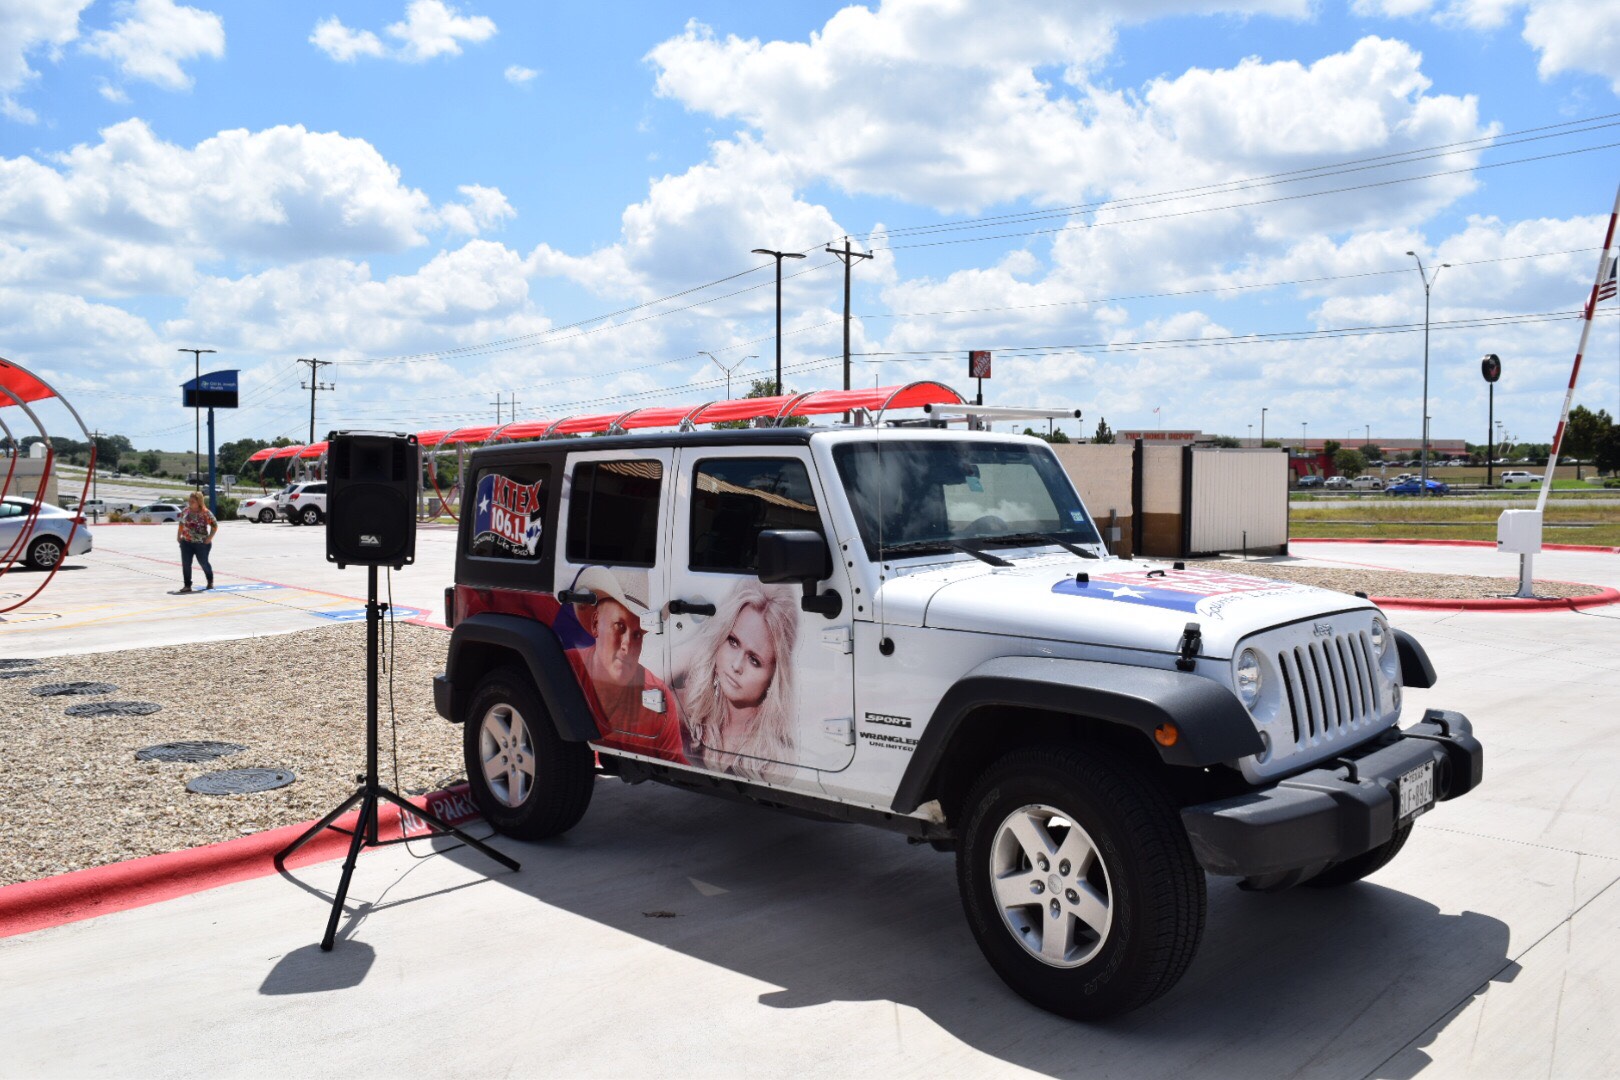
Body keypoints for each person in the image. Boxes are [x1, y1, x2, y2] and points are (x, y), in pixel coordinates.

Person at [675, 581, 799, 783]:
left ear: (774, 677)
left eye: (754, 660)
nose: (736, 665)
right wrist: (703, 644)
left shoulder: (776, 758)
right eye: (733, 642)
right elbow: (643, 685)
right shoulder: (692, 711)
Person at [563, 566, 685, 763]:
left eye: (637, 634)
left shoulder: (657, 694)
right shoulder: (564, 669)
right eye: (619, 626)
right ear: (595, 624)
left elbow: (676, 766)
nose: (627, 645)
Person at [175, 492, 217, 593]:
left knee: (203, 562)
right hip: (186, 542)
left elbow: (214, 526)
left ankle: (210, 581)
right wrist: (179, 536)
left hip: (201, 544)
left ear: (199, 502)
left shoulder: (205, 513)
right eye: (189, 501)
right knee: (186, 564)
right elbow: (181, 524)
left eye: (193, 501)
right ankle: (187, 585)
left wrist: (210, 538)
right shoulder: (185, 511)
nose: (190, 503)